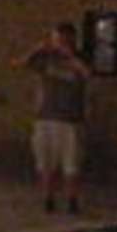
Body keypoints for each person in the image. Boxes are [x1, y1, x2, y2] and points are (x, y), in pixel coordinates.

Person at [22, 22, 90, 214]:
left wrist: (70, 57)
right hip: (45, 116)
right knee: (45, 161)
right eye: (56, 39)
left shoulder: (80, 57)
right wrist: (37, 49)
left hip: (70, 119)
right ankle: (48, 198)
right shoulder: (47, 59)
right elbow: (23, 63)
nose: (59, 43)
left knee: (71, 163)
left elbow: (87, 74)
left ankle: (72, 199)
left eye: (63, 39)